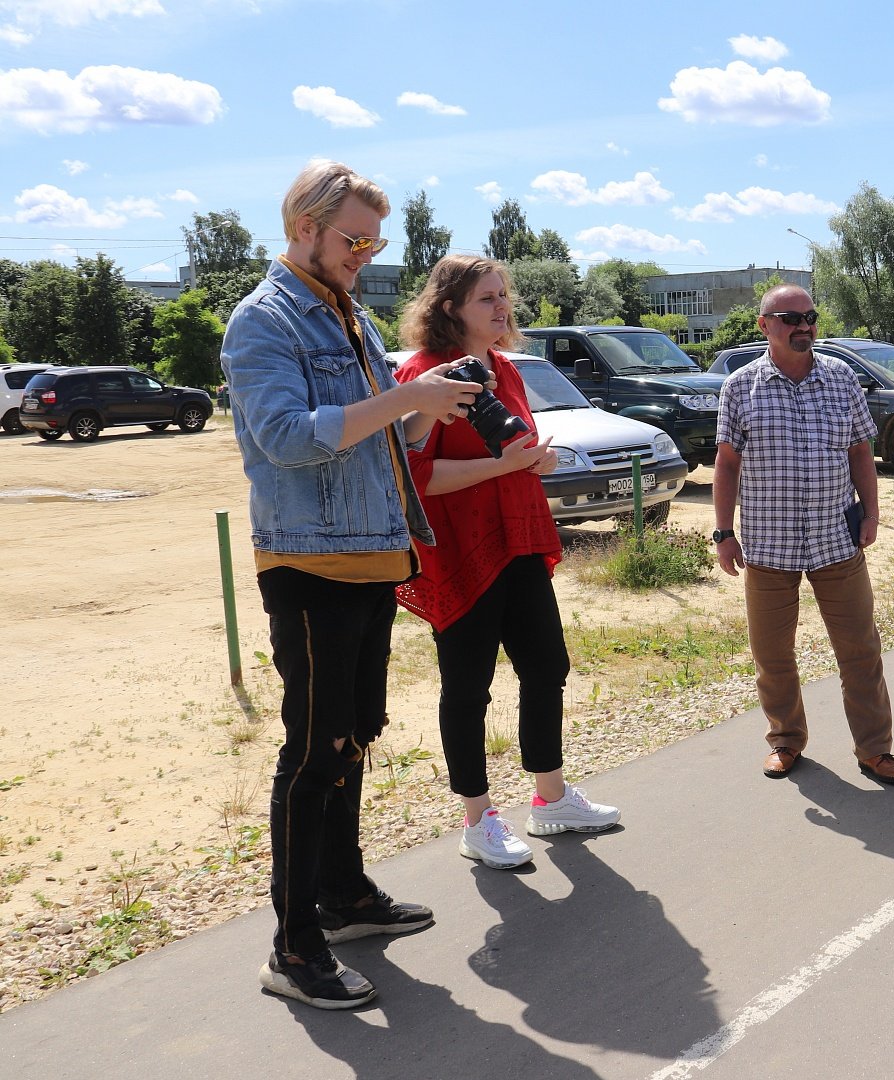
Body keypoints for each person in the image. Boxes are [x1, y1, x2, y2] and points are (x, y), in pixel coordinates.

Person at [222, 161, 481, 1009]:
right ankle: (293, 951)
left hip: (373, 554)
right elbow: (289, 440)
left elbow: (372, 439)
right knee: (311, 751)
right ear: (304, 225)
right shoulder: (263, 320)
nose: (366, 254)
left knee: (353, 737)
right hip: (310, 566)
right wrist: (405, 393)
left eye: (376, 240)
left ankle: (343, 898)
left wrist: (419, 411)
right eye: (354, 238)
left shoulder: (351, 315)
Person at [393, 254, 619, 872]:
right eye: (485, 298)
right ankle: (478, 819)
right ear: (449, 308)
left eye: (502, 296)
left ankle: (549, 798)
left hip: (516, 537)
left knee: (547, 664)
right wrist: (504, 466)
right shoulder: (424, 375)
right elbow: (414, 477)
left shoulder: (503, 369)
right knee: (467, 687)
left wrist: (536, 461)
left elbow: (514, 446)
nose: (501, 307)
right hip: (460, 549)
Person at [713, 284, 894, 786]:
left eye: (809, 317)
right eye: (789, 317)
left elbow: (861, 451)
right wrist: (722, 532)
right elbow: (727, 463)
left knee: (861, 651)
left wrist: (871, 511)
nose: (803, 325)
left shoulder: (841, 378)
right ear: (764, 326)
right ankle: (785, 739)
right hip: (768, 544)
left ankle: (875, 750)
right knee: (773, 655)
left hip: (835, 541)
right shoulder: (739, 386)